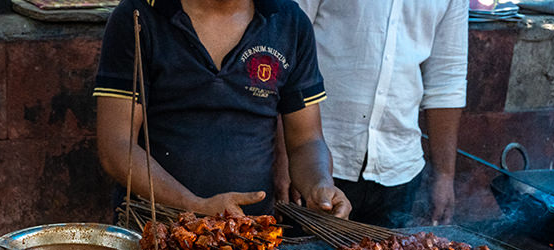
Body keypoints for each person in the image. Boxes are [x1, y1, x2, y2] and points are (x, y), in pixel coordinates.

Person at [93, 0, 351, 219]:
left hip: (253, 238)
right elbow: (117, 145)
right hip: (156, 228)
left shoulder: (289, 21)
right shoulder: (138, 17)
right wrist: (194, 206)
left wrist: (319, 185)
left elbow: (306, 140)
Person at [287, 0, 468, 227]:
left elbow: (447, 78)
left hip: (400, 168)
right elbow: (286, 49)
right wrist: (286, 162)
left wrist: (444, 174)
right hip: (319, 163)